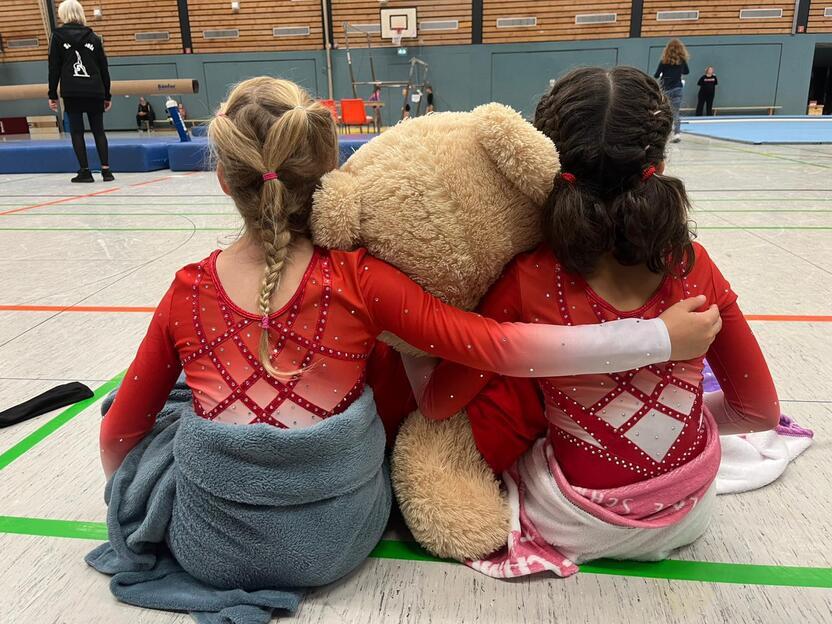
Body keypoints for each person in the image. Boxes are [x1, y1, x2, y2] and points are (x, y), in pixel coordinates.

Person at [99, 76, 720, 478]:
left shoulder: (186, 289)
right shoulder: (359, 276)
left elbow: (117, 437)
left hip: (216, 538)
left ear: (221, 179)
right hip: (344, 529)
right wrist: (657, 338)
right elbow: (500, 345)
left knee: (168, 422)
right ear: (326, 171)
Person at [407, 67, 779, 570]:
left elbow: (439, 401)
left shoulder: (528, 277)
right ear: (661, 160)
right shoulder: (693, 266)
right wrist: (674, 423)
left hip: (574, 519)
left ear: (543, 160)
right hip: (690, 512)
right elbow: (758, 413)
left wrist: (406, 339)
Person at [47, 0, 113, 183]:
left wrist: (52, 93)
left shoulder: (57, 37)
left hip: (72, 90)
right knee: (99, 131)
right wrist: (107, 94)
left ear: (63, 14)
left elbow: (54, 67)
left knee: (77, 132)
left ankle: (85, 171)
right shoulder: (94, 37)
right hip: (94, 89)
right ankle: (106, 171)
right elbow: (103, 68)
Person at [654, 39, 689, 142]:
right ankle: (677, 134)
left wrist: (663, 74)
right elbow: (687, 72)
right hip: (677, 88)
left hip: (666, 89)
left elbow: (656, 75)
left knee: (664, 112)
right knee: (675, 112)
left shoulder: (663, 62)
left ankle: (665, 133)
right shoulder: (682, 62)